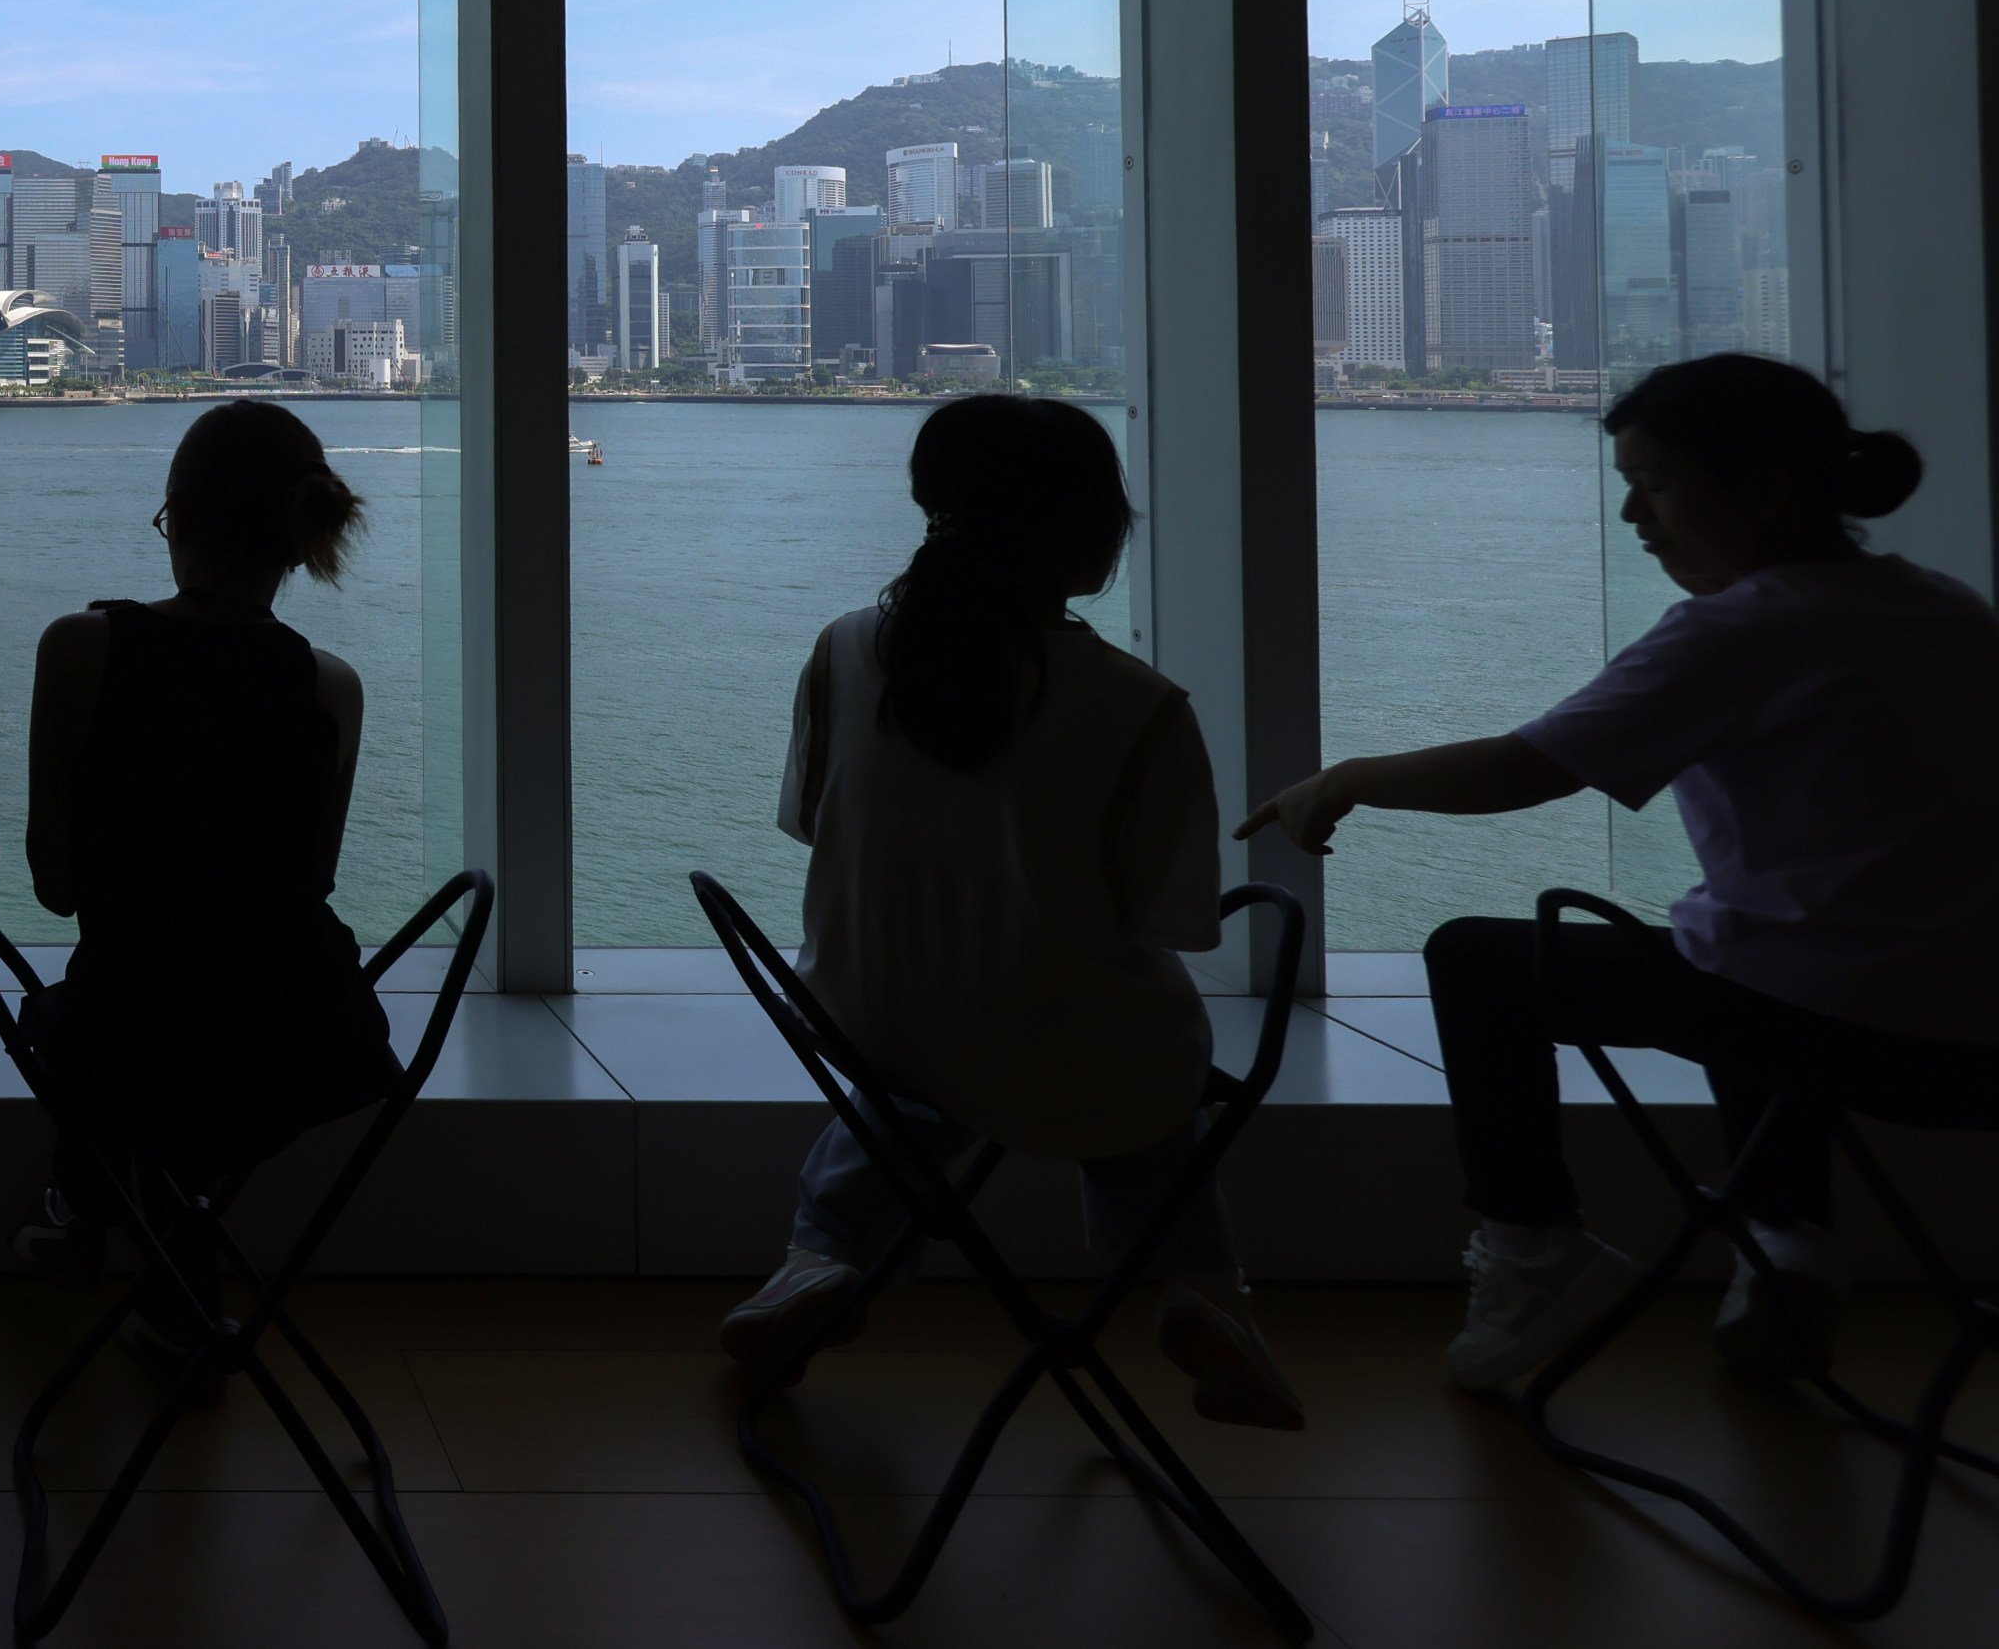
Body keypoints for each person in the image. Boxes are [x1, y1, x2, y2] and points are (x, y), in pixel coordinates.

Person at [1242, 354, 1999, 1394]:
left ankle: (1533, 1252)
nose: (1634, 516)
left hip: (1842, 1030)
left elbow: (1528, 767)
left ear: (1766, 489)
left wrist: (1349, 777)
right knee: (1734, 939)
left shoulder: (1741, 627)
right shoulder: (1950, 608)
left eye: (1653, 483)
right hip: (1974, 1042)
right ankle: (1785, 1247)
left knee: (1482, 958)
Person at [720, 395, 1302, 1431]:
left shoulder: (848, 648)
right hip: (1072, 1054)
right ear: (1087, 526)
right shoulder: (1138, 701)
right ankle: (1204, 1289)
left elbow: (810, 823)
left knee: (933, 1058)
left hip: (868, 1028)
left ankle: (823, 1253)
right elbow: (1172, 917)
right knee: (1133, 1053)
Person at [7, 400, 398, 1313]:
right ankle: (174, 1258)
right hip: (303, 1033)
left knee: (81, 1026)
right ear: (300, 543)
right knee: (189, 1050)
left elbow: (56, 889)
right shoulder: (329, 686)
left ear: (176, 519)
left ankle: (89, 1212)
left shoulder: (81, 650)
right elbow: (313, 882)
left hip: (131, 1025)